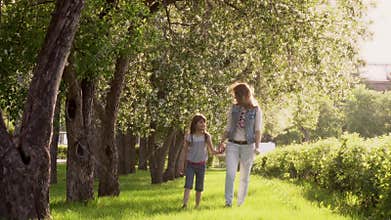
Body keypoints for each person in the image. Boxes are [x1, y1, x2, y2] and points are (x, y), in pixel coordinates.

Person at [218, 82, 262, 207]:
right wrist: (221, 142)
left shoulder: (256, 110)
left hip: (248, 145)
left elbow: (257, 130)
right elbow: (228, 127)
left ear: (245, 95)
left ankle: (240, 203)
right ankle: (228, 202)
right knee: (230, 174)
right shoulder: (233, 108)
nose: (235, 98)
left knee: (244, 176)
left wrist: (257, 146)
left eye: (237, 95)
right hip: (232, 144)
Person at [182, 113, 217, 209]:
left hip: (201, 165)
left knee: (199, 187)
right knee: (188, 185)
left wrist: (219, 151)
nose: (203, 124)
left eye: (204, 123)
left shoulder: (206, 136)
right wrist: (182, 166)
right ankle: (184, 204)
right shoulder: (190, 137)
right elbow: (185, 152)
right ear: (195, 124)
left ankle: (197, 206)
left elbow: (212, 151)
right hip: (190, 164)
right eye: (200, 122)